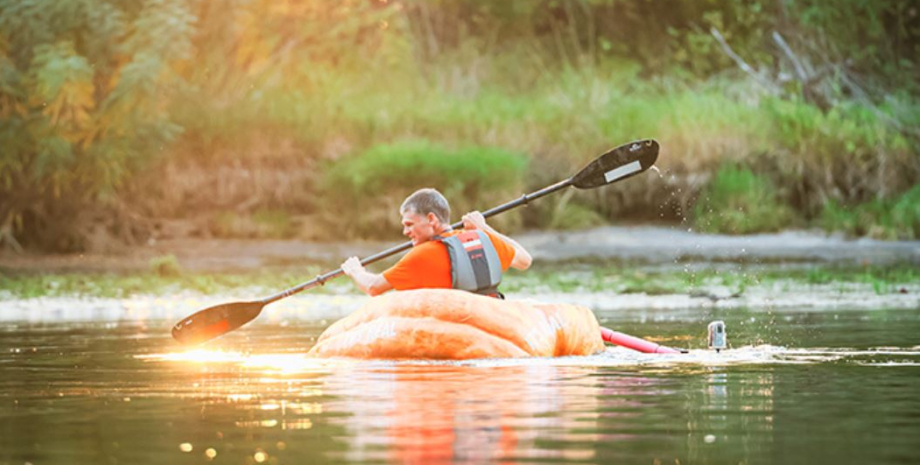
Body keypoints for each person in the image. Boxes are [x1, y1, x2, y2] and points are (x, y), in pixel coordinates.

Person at [341, 188, 532, 297]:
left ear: (431, 219)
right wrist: (484, 228)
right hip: (492, 316)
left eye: (409, 224)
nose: (405, 232)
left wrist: (356, 271)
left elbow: (373, 287)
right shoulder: (483, 240)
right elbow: (525, 261)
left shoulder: (422, 255)